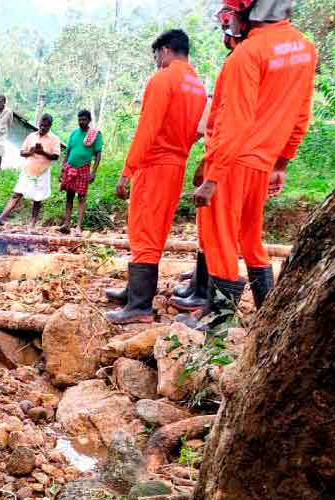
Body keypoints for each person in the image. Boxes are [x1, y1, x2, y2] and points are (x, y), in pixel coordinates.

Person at [191, 0, 316, 324]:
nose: (228, 19)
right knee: (250, 238)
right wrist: (281, 163)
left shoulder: (246, 55)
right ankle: (267, 317)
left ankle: (219, 328)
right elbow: (302, 114)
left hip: (232, 161)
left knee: (220, 241)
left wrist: (212, 177)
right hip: (262, 162)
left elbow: (235, 121)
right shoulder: (303, 49)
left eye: (231, 12)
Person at [104, 29, 207, 325]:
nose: (156, 61)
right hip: (176, 164)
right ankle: (134, 291)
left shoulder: (163, 79)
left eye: (156, 56)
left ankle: (139, 305)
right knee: (156, 228)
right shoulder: (198, 87)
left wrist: (127, 172)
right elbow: (196, 133)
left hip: (154, 163)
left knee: (143, 229)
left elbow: (147, 129)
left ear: (165, 50)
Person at [170, 5, 245, 314]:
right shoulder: (240, 62)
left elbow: (229, 124)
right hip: (226, 155)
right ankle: (203, 290)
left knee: (219, 233)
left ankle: (214, 306)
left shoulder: (244, 62)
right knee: (213, 231)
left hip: (228, 158)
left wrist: (210, 170)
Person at [0, 114, 60, 228]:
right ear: (39, 123)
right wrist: (31, 152)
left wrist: (43, 152)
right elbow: (22, 153)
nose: (43, 128)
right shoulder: (31, 136)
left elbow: (56, 156)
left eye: (46, 126)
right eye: (41, 125)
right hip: (28, 170)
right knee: (16, 194)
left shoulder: (54, 139)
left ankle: (32, 223)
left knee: (38, 198)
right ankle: (1, 218)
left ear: (50, 126)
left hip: (42, 171)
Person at [59, 110, 103, 235]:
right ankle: (66, 224)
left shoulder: (95, 135)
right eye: (79, 119)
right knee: (69, 196)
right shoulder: (74, 133)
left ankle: (78, 227)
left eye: (84, 120)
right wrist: (63, 169)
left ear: (89, 120)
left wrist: (93, 172)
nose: (81, 122)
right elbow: (68, 152)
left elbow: (98, 154)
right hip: (70, 168)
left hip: (84, 168)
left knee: (82, 197)